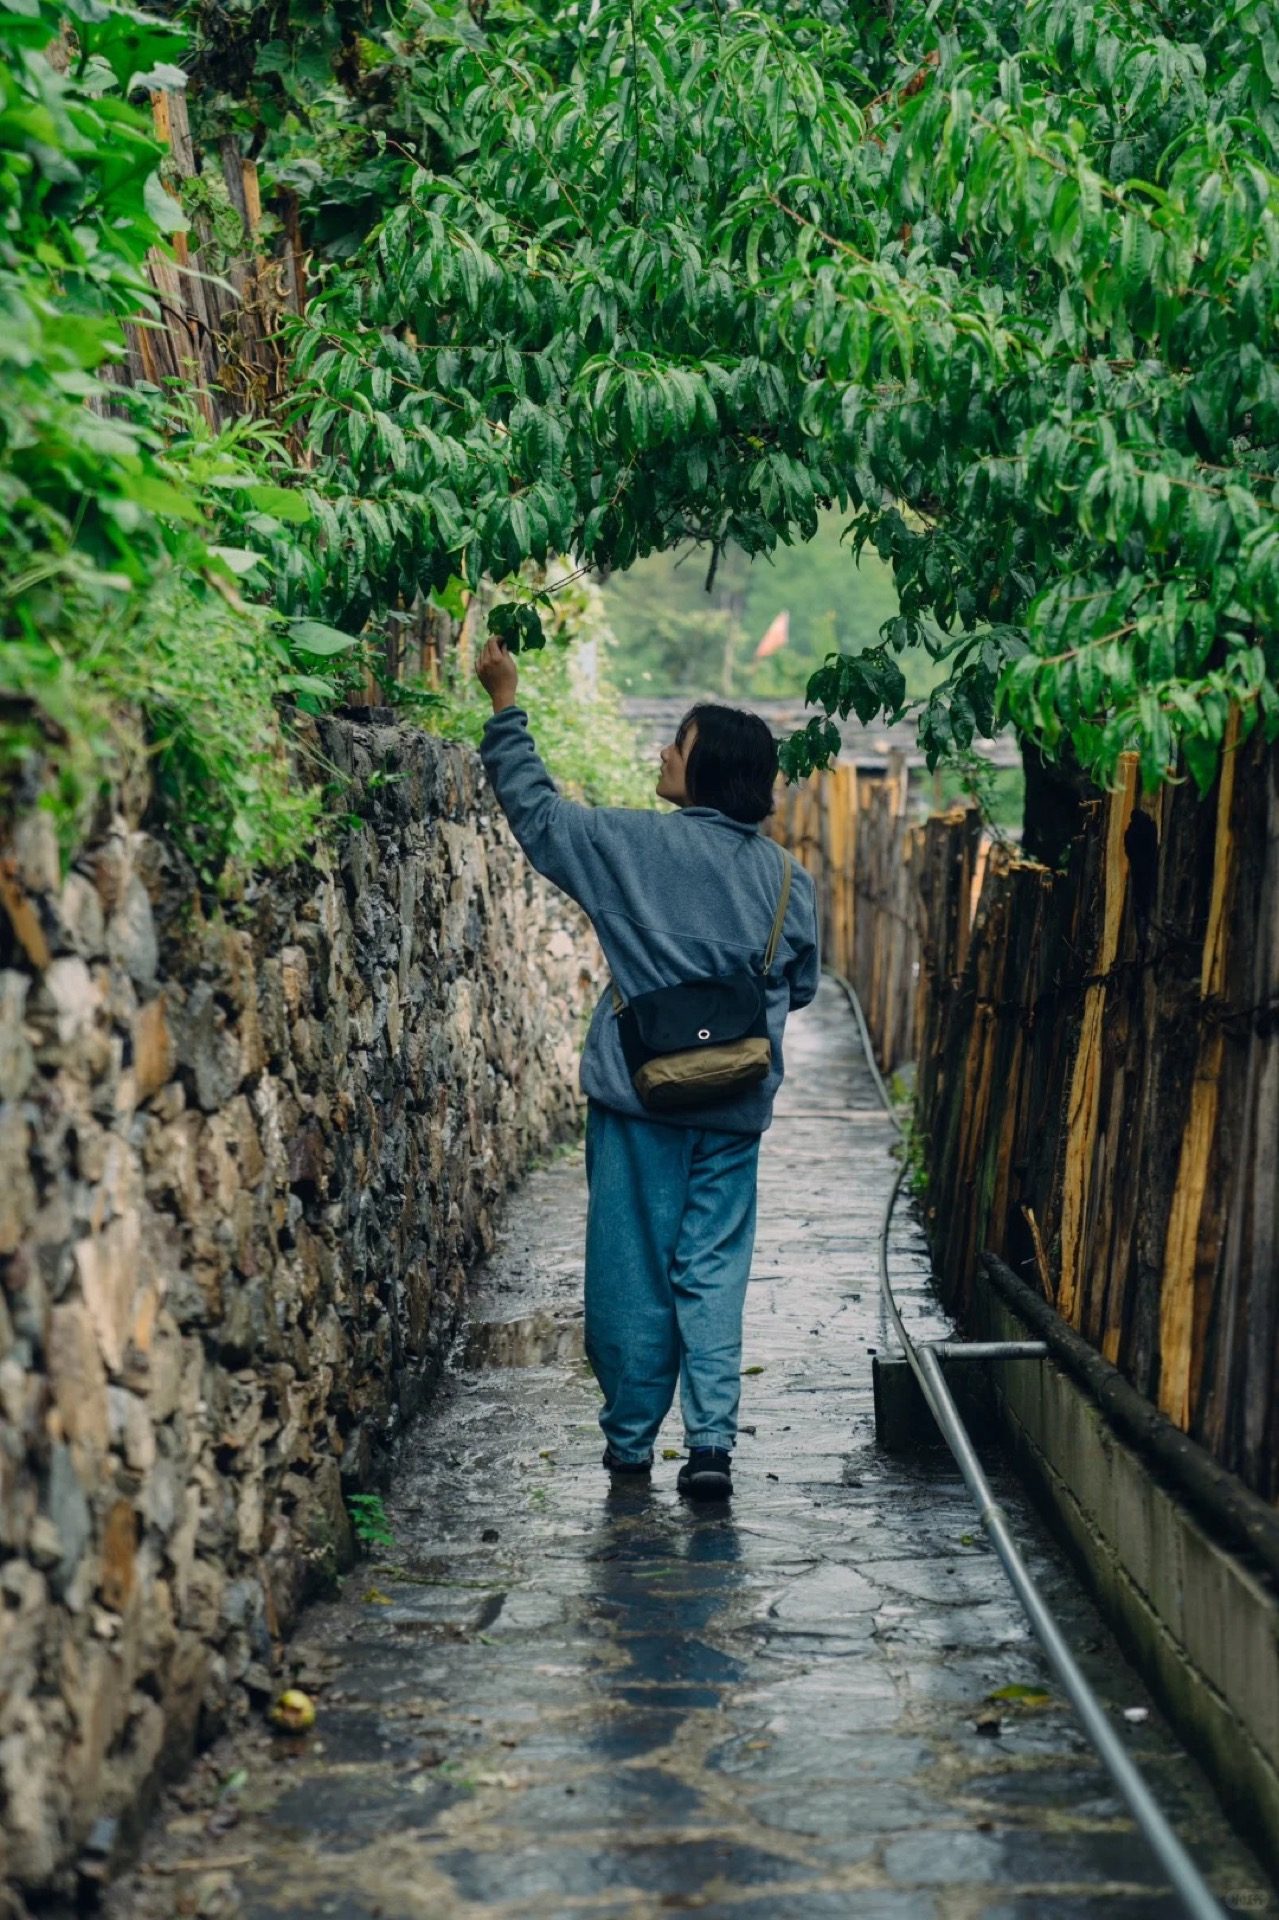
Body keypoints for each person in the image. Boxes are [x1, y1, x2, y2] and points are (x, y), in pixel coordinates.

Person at [476, 635, 820, 1500]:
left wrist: (504, 702)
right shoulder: (787, 879)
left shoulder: (627, 847)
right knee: (713, 1269)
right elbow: (801, 986)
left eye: (678, 744)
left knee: (631, 1271)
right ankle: (709, 1447)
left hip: (639, 1101)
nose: (663, 752)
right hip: (734, 1108)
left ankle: (630, 1445)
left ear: (702, 773)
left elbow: (537, 814)